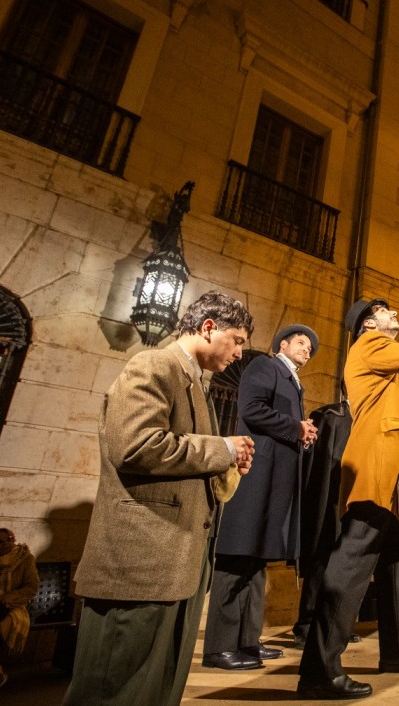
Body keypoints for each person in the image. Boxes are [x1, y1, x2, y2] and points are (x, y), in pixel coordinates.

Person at [64, 291, 255, 706]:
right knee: (114, 690)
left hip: (178, 566)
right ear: (209, 327)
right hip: (141, 564)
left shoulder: (198, 385)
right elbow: (135, 446)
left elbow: (189, 458)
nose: (239, 353)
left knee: (155, 690)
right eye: (237, 340)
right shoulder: (154, 365)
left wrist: (228, 461)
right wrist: (220, 449)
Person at [298, 288, 399, 700]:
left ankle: (398, 653)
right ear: (369, 322)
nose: (394, 313)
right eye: (386, 311)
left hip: (394, 471)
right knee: (349, 566)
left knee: (396, 563)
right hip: (375, 473)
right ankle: (319, 670)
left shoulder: (382, 355)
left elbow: (391, 414)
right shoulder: (371, 344)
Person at [203, 324, 319, 669]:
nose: (307, 349)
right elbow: (251, 410)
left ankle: (247, 642)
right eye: (302, 342)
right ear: (282, 343)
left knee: (256, 561)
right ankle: (219, 648)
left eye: (310, 347)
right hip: (254, 474)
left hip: (275, 480)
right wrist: (295, 427)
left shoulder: (294, 382)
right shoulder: (266, 366)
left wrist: (303, 434)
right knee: (237, 554)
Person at [292, 397, 361, 649]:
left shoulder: (364, 419)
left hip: (353, 499)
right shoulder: (329, 415)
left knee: (343, 565)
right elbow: (314, 462)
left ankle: (332, 626)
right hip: (327, 499)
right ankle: (306, 625)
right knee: (320, 560)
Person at [0, 528, 39, 691]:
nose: (6, 543)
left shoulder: (24, 559)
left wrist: (4, 598)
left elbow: (32, 587)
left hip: (12, 606)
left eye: (9, 539)